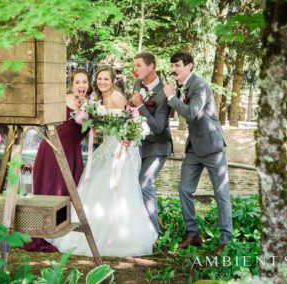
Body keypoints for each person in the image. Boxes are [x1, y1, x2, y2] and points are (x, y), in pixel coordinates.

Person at [49, 65, 157, 257]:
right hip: (106, 148)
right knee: (94, 185)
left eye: (106, 79)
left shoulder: (118, 97)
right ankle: (90, 232)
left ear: (113, 80)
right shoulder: (97, 100)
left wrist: (128, 138)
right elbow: (101, 127)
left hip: (121, 149)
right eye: (99, 79)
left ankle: (119, 237)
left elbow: (131, 122)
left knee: (118, 191)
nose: (102, 82)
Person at [163, 50, 233, 256]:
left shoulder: (200, 85)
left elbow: (192, 113)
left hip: (213, 147)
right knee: (184, 189)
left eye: (177, 65)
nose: (173, 69)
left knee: (221, 194)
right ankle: (193, 234)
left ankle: (225, 240)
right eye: (172, 65)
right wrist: (173, 95)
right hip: (194, 149)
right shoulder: (183, 86)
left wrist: (170, 97)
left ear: (189, 66)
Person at [24, 69, 91, 252]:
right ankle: (39, 232)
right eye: (77, 82)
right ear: (72, 85)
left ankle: (58, 232)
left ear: (89, 85)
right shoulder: (62, 99)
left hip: (73, 154)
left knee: (67, 193)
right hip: (52, 150)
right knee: (48, 189)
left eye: (84, 82)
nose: (81, 86)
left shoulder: (91, 106)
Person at [131, 52, 172, 233]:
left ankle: (153, 233)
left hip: (158, 145)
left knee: (145, 183)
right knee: (131, 183)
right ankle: (138, 229)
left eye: (139, 65)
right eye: (135, 66)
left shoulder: (165, 92)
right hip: (138, 144)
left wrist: (140, 106)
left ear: (152, 66)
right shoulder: (137, 84)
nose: (135, 69)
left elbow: (158, 127)